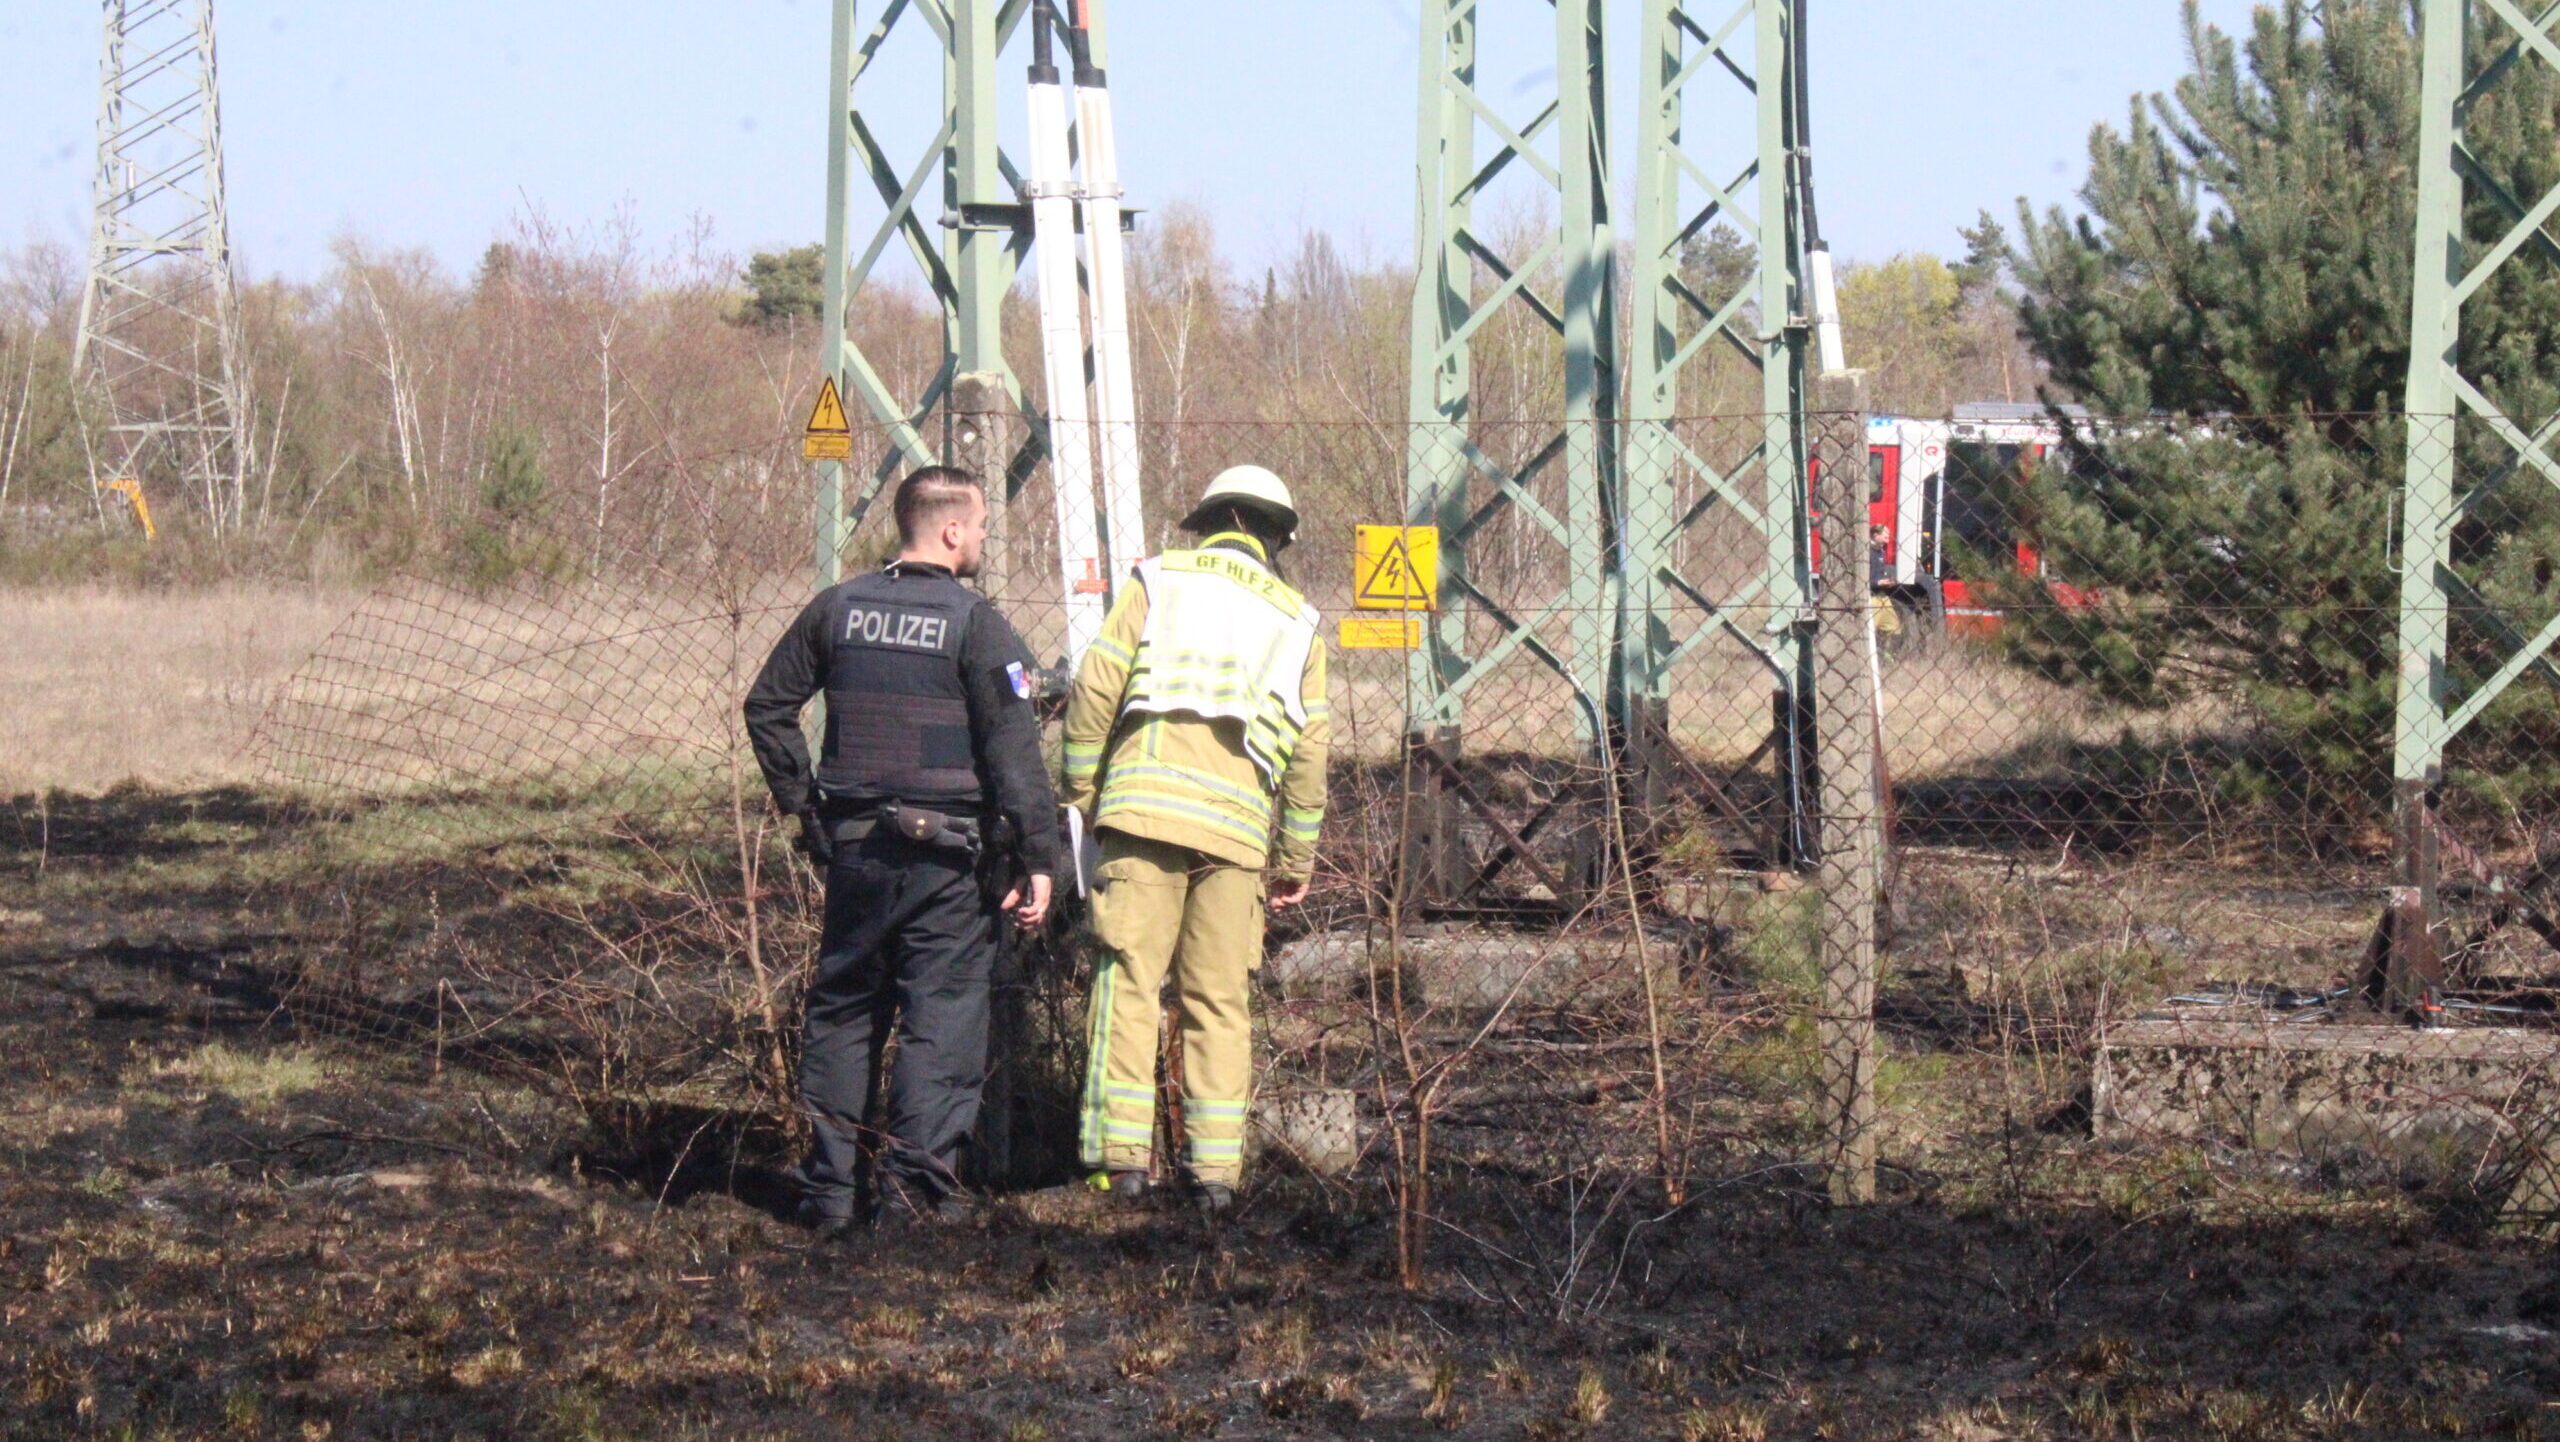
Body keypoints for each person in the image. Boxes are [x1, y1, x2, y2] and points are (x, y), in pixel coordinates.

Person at [743, 465, 1061, 1234]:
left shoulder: (838, 608)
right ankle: (910, 1203)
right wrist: (1041, 856)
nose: (983, 538)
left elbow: (768, 707)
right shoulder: (976, 625)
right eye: (982, 525)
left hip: (855, 851)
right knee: (940, 1025)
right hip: (949, 865)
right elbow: (1013, 753)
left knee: (846, 1016)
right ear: (952, 530)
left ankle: (828, 1195)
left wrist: (806, 806)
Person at [1062, 465, 1329, 1216]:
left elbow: (1095, 688)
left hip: (1141, 817)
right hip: (1239, 836)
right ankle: (1214, 1178)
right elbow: (1310, 752)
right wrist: (1294, 858)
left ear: (1210, 519)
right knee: (1218, 1000)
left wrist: (1081, 793)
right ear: (1277, 537)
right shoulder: (1299, 620)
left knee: (1129, 982)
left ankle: (1123, 1165)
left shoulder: (1158, 579)